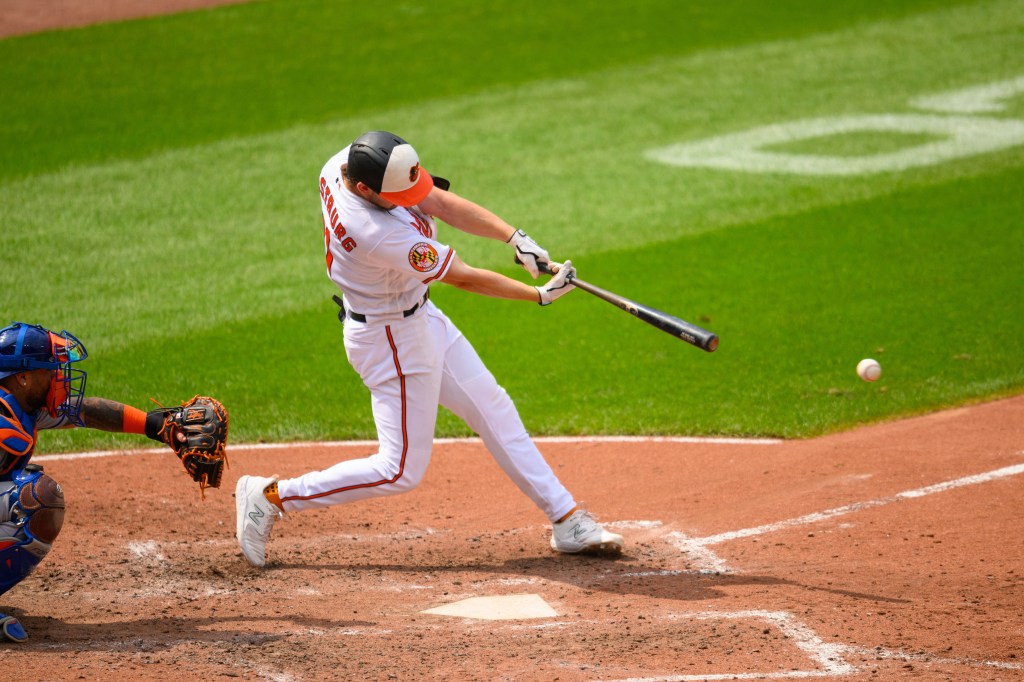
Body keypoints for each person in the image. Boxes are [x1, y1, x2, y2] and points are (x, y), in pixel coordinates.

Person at [235, 131, 624, 567]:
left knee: (492, 406)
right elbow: (463, 276)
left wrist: (515, 238)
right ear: (365, 190)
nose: (410, 199)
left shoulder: (345, 162)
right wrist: (538, 296)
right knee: (398, 470)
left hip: (416, 316)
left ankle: (566, 518)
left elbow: (435, 200)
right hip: (391, 341)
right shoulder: (373, 232)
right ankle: (270, 496)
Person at [0, 322, 189, 643]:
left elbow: (86, 412)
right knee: (37, 496)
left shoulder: (21, 405)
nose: (60, 377)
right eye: (51, 370)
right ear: (23, 377)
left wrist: (158, 426)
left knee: (30, 487)